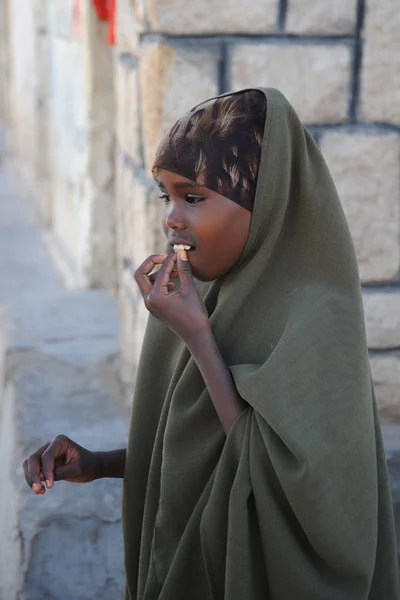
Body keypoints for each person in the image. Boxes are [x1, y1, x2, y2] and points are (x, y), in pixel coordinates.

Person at [23, 88, 400, 599]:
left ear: (263, 202)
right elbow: (206, 449)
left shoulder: (314, 314)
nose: (172, 218)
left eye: (194, 197)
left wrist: (199, 337)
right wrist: (100, 464)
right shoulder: (207, 291)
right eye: (166, 195)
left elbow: (290, 492)